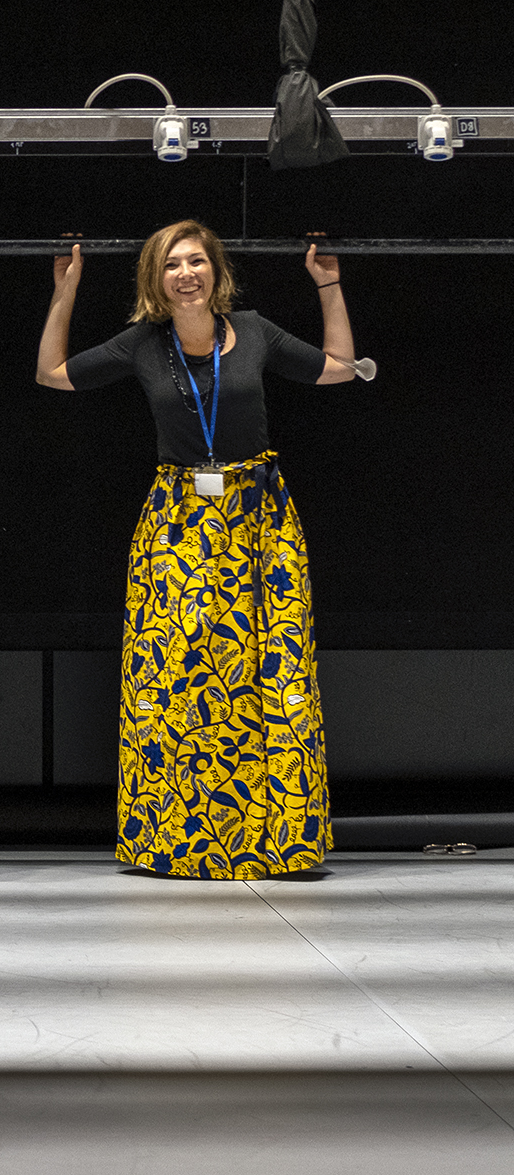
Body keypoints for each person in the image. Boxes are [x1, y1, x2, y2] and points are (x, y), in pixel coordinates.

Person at [35, 221, 360, 879]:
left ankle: (278, 842)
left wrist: (328, 285)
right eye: (171, 265)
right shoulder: (142, 343)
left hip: (258, 522)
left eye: (195, 261)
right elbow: (52, 374)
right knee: (178, 677)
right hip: (179, 525)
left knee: (273, 672)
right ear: (155, 279)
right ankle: (179, 843)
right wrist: (65, 291)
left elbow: (338, 370)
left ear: (215, 269)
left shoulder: (255, 330)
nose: (185, 274)